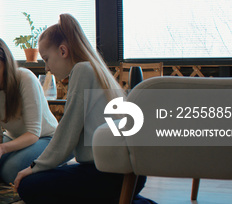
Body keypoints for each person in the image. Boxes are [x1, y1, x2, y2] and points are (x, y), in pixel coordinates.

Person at [13, 14, 154, 203]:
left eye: (46, 59)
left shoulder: (82, 70)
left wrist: (35, 167)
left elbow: (67, 130)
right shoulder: (95, 69)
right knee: (53, 178)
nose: (47, 68)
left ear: (63, 51)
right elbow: (72, 141)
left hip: (109, 175)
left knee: (29, 185)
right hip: (130, 175)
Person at [0, 37, 65, 185]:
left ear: (6, 64)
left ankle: (55, 162)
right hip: (13, 138)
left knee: (11, 171)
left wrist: (1, 150)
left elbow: (33, 134)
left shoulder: (25, 78)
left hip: (45, 137)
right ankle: (30, 162)